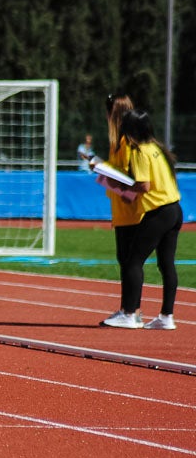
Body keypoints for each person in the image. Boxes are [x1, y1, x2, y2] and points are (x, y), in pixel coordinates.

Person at [100, 110, 181, 330]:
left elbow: (143, 185)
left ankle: (129, 314)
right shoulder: (158, 149)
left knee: (132, 261)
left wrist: (121, 187)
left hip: (158, 210)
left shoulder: (139, 151)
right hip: (175, 209)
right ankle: (166, 316)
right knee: (166, 264)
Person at [98, 94, 146, 328]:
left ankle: (132, 311)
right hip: (121, 209)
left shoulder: (128, 143)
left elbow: (131, 180)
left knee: (130, 261)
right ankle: (129, 309)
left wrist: (107, 174)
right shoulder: (117, 143)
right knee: (125, 259)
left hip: (131, 210)